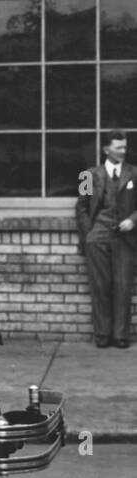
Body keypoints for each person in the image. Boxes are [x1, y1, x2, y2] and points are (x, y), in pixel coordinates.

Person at [76, 129, 137, 348]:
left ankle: (121, 336)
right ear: (106, 149)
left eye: (124, 146)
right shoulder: (88, 175)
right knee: (100, 286)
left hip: (126, 238)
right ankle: (102, 335)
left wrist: (133, 220)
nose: (123, 151)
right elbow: (81, 207)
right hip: (97, 237)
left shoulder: (135, 173)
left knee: (123, 285)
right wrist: (89, 233)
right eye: (118, 147)